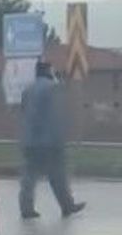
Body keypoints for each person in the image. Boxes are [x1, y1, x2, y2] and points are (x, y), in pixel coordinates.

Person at [19, 61, 86, 219]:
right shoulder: (53, 88)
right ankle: (67, 205)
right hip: (50, 141)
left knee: (29, 177)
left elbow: (24, 113)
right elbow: (58, 114)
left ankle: (26, 208)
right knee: (58, 175)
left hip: (30, 140)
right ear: (49, 71)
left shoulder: (27, 90)